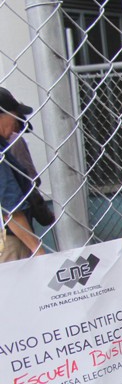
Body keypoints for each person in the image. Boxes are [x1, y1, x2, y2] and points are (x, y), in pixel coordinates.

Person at [0, 87, 42, 263]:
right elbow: (10, 209)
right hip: (9, 241)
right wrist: (38, 251)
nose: (17, 125)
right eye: (15, 116)